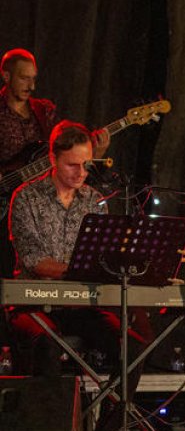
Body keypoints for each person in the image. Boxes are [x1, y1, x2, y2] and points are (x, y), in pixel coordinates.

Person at [5, 120, 144, 431]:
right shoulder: (26, 198)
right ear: (53, 159)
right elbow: (35, 260)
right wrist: (78, 268)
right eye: (73, 164)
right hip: (33, 305)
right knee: (47, 345)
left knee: (134, 349)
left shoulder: (95, 202)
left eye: (87, 164)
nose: (81, 172)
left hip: (80, 306)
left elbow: (103, 258)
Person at [0, 49, 109, 277]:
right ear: (6, 76)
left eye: (34, 78)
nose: (31, 85)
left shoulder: (43, 111)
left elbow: (62, 144)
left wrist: (90, 151)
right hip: (15, 200)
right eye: (24, 77)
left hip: (44, 190)